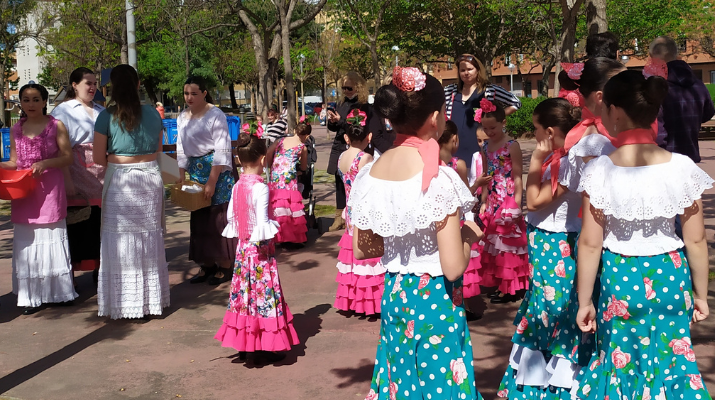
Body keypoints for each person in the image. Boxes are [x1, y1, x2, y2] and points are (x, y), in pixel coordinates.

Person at [575, 70, 712, 400]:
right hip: (669, 276)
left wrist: (584, 300)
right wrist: (701, 294)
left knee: (621, 361)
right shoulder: (681, 167)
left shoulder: (600, 170)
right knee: (672, 360)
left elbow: (590, 244)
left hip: (620, 278)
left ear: (615, 113)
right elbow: (696, 239)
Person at [351, 66, 484, 400]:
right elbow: (453, 267)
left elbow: (364, 249)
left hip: (396, 293)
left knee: (400, 378)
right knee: (439, 384)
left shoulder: (370, 174)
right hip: (435, 300)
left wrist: (400, 234)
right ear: (436, 119)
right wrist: (468, 236)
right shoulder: (440, 178)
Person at [496, 98, 597, 399]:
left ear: (550, 132)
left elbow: (536, 201)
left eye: (537, 130)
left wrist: (538, 159)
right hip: (549, 241)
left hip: (558, 243)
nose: (536, 135)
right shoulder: (564, 158)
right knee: (544, 302)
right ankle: (539, 377)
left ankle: (555, 382)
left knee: (554, 307)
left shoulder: (570, 162)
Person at [214, 131, 299, 366]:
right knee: (263, 296)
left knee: (244, 296)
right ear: (263, 159)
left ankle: (246, 344)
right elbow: (262, 223)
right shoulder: (261, 188)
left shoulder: (237, 186)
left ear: (239, 160)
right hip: (260, 254)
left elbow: (232, 217)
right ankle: (264, 345)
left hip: (243, 253)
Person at [93, 65, 169, 319]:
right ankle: (149, 299)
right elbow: (158, 152)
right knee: (148, 238)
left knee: (119, 240)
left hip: (120, 179)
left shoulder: (106, 116)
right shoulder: (154, 114)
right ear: (138, 85)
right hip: (149, 177)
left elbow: (97, 158)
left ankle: (123, 301)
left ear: (112, 87)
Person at [1, 83, 76, 314]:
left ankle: (59, 293)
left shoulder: (56, 125)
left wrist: (45, 164)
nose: (30, 104)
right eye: (25, 99)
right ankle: (31, 296)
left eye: (35, 99)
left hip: (50, 188)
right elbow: (15, 160)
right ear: (20, 103)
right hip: (25, 190)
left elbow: (67, 158)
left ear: (45, 101)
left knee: (52, 236)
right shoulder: (16, 129)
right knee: (28, 241)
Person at [177, 76, 236, 285]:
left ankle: (226, 265)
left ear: (204, 93)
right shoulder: (182, 116)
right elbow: (181, 146)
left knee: (217, 218)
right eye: (186, 93)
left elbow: (221, 148)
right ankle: (207, 264)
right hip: (195, 170)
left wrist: (212, 180)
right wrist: (181, 173)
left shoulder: (215, 114)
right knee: (200, 217)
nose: (189, 97)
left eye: (194, 93)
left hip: (215, 171)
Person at [51, 67, 106, 283]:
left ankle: (99, 268)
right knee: (78, 221)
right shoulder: (62, 111)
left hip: (102, 170)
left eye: (94, 84)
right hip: (76, 169)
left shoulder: (102, 110)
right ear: (74, 85)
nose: (92, 87)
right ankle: (72, 271)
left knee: (100, 222)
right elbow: (59, 149)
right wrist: (67, 180)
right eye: (88, 83)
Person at [333, 109, 384, 316]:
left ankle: (354, 299)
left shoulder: (342, 157)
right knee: (367, 255)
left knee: (353, 255)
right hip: (365, 210)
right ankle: (369, 302)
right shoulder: (366, 158)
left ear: (346, 137)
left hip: (350, 209)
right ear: (369, 136)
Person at [478, 99, 529, 303]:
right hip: (492, 199)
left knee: (508, 244)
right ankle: (501, 283)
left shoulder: (511, 145)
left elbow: (518, 177)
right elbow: (484, 176)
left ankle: (511, 287)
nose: (489, 132)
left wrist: (516, 205)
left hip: (507, 201)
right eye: (485, 128)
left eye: (493, 127)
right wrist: (483, 200)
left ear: (503, 123)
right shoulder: (485, 147)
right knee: (495, 244)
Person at [327, 72, 391, 232]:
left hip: (356, 144)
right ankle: (338, 216)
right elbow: (336, 127)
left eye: (349, 87)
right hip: (341, 144)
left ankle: (352, 214)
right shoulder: (341, 103)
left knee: (356, 181)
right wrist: (332, 122)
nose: (346, 91)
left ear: (358, 87)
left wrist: (341, 121)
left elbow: (355, 125)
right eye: (344, 88)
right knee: (339, 180)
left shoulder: (364, 105)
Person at [444, 54, 522, 170]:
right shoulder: (450, 91)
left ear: (478, 70)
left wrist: (495, 117)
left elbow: (516, 103)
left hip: (479, 145)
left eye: (470, 69)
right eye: (463, 70)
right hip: (455, 147)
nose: (466, 73)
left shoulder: (489, 90)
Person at [650, 36, 715, 163]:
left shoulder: (658, 87)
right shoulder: (698, 84)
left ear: (656, 58)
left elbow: (656, 125)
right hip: (690, 156)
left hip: (664, 158)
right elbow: (708, 113)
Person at [265, 119, 309, 247]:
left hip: (276, 174)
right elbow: (304, 167)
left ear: (295, 131)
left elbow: (268, 152)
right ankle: (291, 236)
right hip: (289, 177)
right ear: (306, 135)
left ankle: (278, 234)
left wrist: (270, 165)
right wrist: (301, 170)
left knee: (278, 204)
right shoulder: (302, 147)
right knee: (290, 205)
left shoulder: (281, 140)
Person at [438, 120, 468, 185]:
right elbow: (467, 192)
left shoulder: (432, 162)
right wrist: (477, 184)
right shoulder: (459, 165)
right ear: (454, 138)